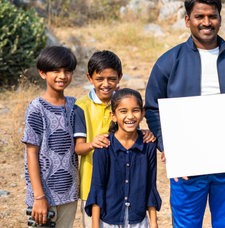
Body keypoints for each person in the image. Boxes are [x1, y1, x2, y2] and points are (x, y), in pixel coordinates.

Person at [144, 0, 225, 227]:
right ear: (188, 20)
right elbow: (152, 107)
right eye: (199, 16)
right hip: (188, 163)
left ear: (220, 18)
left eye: (212, 16)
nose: (206, 22)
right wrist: (168, 144)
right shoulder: (169, 61)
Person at [74, 50, 155, 228]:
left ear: (120, 77)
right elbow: (78, 148)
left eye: (111, 79)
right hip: (91, 186)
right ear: (90, 78)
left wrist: (145, 133)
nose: (106, 84)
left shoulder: (124, 102)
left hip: (125, 186)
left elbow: (131, 130)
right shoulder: (81, 106)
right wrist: (92, 143)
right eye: (100, 78)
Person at [85, 88, 161, 228]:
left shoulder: (148, 146)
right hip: (109, 220)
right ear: (113, 115)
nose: (130, 116)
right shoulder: (104, 147)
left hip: (138, 220)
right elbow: (97, 187)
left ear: (143, 113)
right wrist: (95, 225)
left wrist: (154, 222)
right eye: (123, 111)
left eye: (135, 110)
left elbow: (151, 185)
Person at [22, 46, 79, 227]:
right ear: (42, 73)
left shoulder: (74, 105)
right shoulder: (36, 109)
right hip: (43, 196)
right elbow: (31, 153)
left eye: (67, 71)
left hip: (69, 194)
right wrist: (39, 196)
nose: (62, 76)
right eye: (55, 70)